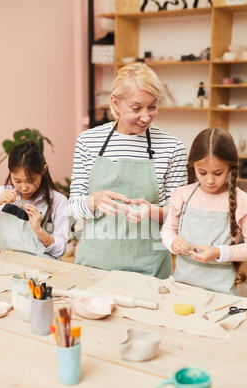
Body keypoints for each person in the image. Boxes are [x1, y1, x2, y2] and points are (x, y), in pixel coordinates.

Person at [69, 62, 187, 279]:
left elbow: (180, 214)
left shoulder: (172, 147)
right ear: (115, 102)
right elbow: (74, 207)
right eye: (136, 108)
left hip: (149, 267)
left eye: (152, 106)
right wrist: (93, 201)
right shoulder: (88, 141)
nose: (146, 116)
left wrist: (151, 211)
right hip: (94, 265)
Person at [161, 127, 247, 294]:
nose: (209, 180)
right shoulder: (183, 195)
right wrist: (173, 242)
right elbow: (168, 229)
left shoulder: (243, 202)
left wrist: (219, 252)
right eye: (202, 172)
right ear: (193, 166)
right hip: (182, 287)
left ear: (230, 168)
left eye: (218, 173)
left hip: (221, 292)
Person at [0, 141, 69, 259]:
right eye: (17, 181)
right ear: (10, 172)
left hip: (44, 271)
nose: (24, 187)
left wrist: (39, 230)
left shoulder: (58, 201)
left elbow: (60, 251)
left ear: (43, 170)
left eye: (31, 181)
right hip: (9, 268)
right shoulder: (4, 195)